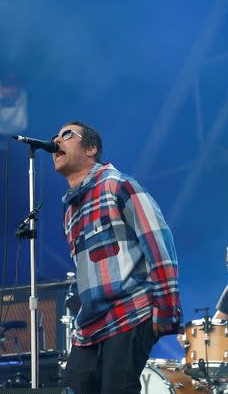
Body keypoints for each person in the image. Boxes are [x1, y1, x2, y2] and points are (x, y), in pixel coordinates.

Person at [52, 121, 182, 394]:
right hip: (89, 325)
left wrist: (166, 308)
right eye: (55, 137)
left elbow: (159, 244)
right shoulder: (70, 211)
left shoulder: (119, 186)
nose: (56, 141)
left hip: (130, 311)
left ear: (91, 148)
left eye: (66, 135)